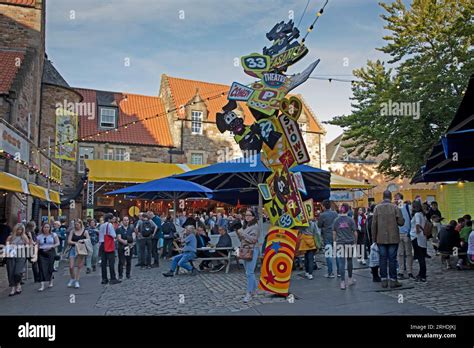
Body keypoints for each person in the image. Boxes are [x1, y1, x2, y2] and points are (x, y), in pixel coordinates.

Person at [371, 190, 404, 288]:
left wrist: (374, 238)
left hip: (380, 238)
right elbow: (401, 222)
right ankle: (393, 280)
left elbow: (374, 224)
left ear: (383, 196)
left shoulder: (377, 208)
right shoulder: (395, 207)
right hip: (393, 237)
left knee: (382, 259)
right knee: (392, 259)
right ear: (390, 197)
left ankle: (384, 280)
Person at [236, 209, 260, 303]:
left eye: (249, 215)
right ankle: (254, 291)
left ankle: (249, 293)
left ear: (253, 217)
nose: (247, 217)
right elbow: (242, 239)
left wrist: (242, 233)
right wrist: (238, 233)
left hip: (252, 249)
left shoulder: (255, 227)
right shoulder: (246, 226)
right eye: (246, 215)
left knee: (249, 272)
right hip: (245, 249)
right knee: (248, 272)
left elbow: (253, 240)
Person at [333, 203, 358, 290]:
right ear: (348, 210)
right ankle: (350, 279)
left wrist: (335, 242)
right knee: (350, 260)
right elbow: (355, 232)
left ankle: (342, 282)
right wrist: (355, 242)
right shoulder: (351, 220)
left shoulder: (336, 220)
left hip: (340, 243)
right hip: (350, 242)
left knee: (341, 262)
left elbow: (334, 232)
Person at [5, 223, 30, 296]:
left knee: (18, 272)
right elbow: (7, 246)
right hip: (11, 255)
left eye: (21, 230)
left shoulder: (24, 237)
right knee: (11, 271)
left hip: (21, 255)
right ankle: (13, 287)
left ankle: (18, 284)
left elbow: (28, 246)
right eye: (18, 229)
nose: (19, 231)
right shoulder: (10, 237)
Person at [65, 220, 90, 288]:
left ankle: (77, 281)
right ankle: (72, 278)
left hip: (81, 250)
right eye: (75, 225)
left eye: (77, 225)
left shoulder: (85, 231)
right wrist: (76, 243)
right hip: (73, 249)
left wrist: (82, 240)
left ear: (80, 224)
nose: (76, 226)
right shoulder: (72, 231)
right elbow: (69, 241)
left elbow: (88, 240)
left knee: (79, 266)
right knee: (71, 266)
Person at [36, 223, 60, 291]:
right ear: (42, 228)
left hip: (50, 252)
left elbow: (58, 243)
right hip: (42, 252)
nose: (46, 228)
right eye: (45, 227)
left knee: (50, 267)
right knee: (41, 267)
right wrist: (35, 254)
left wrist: (51, 246)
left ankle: (50, 281)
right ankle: (42, 285)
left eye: (47, 227)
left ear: (50, 228)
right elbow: (37, 245)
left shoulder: (53, 235)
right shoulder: (39, 236)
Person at [318, 199, 338, 278]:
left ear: (323, 206)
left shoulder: (322, 215)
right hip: (335, 235)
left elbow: (319, 225)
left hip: (327, 236)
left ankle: (330, 273)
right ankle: (339, 272)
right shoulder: (335, 213)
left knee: (329, 255)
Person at [395, 194, 414, 279]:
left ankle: (409, 271)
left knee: (408, 253)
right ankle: (401, 271)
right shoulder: (395, 208)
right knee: (400, 254)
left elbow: (411, 219)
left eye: (396, 199)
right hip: (398, 234)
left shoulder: (407, 207)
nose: (395, 200)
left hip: (407, 233)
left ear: (400, 199)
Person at [98, 213, 120, 285]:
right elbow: (113, 235)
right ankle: (113, 278)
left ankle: (104, 278)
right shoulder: (109, 225)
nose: (113, 220)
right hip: (108, 244)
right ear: (109, 219)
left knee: (103, 263)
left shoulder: (101, 225)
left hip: (102, 244)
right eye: (112, 218)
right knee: (111, 262)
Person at [410, 200, 428, 282]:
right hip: (422, 238)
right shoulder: (423, 214)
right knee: (422, 257)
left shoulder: (417, 214)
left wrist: (417, 232)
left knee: (420, 257)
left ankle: (422, 275)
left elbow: (417, 224)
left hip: (416, 238)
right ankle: (421, 274)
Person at [116, 216, 135, 280]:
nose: (126, 221)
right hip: (121, 247)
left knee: (128, 261)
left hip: (129, 247)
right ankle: (120, 274)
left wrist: (131, 243)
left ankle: (128, 274)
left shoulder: (131, 228)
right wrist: (125, 242)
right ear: (122, 221)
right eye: (125, 220)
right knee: (121, 261)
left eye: (127, 220)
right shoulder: (119, 229)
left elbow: (134, 237)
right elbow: (119, 238)